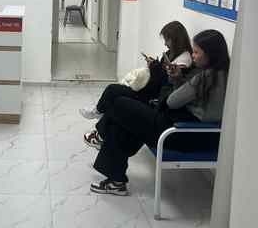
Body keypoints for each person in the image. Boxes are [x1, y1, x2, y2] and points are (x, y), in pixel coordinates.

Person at [89, 29, 229, 196]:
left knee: (120, 105)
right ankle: (115, 178)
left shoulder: (204, 78)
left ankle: (106, 148)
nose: (193, 56)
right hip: (200, 135)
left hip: (180, 133)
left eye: (197, 52)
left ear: (210, 54)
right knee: (125, 118)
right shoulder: (224, 75)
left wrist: (176, 79)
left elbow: (172, 101)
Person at [81, 21, 193, 148]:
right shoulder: (171, 53)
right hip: (150, 90)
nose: (165, 43)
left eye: (168, 40)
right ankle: (100, 125)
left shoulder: (184, 60)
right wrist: (154, 65)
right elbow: (161, 75)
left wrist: (154, 66)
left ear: (177, 40)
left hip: (155, 97)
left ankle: (99, 125)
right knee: (115, 94)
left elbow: (165, 81)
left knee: (116, 97)